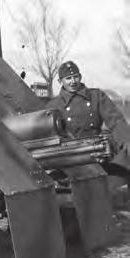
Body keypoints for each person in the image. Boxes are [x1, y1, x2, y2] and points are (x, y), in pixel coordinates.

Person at [46, 61, 130, 189]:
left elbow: (116, 121)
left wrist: (126, 141)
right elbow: (51, 136)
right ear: (60, 81)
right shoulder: (53, 106)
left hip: (98, 153)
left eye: (76, 77)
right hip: (71, 158)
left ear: (80, 77)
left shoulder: (96, 96)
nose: (73, 81)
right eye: (68, 78)